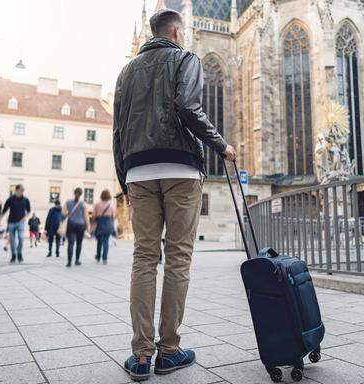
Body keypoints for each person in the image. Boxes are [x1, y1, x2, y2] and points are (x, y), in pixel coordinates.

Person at [112, 8, 236, 381]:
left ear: (151, 34)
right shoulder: (185, 58)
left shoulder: (127, 72)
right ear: (178, 32)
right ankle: (168, 351)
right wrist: (221, 146)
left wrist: (125, 181)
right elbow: (187, 107)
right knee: (178, 257)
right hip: (180, 168)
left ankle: (139, 355)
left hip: (138, 171)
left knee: (144, 258)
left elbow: (118, 131)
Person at [0, 184, 31, 263]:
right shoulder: (10, 199)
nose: (22, 192)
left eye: (23, 191)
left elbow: (29, 211)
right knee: (12, 240)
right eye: (21, 190)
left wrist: (25, 217)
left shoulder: (25, 200)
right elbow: (4, 210)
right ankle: (13, 255)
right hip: (11, 222)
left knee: (21, 238)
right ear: (16, 190)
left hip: (21, 222)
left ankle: (19, 253)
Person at [62, 188, 90, 267]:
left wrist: (68, 214)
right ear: (81, 194)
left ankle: (69, 262)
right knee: (79, 243)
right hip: (81, 225)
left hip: (71, 224)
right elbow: (86, 216)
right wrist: (88, 226)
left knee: (70, 243)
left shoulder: (68, 202)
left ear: (74, 193)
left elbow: (63, 212)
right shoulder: (83, 204)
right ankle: (77, 260)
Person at [93, 189, 116, 264]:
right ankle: (105, 258)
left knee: (99, 242)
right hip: (108, 224)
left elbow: (94, 216)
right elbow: (113, 217)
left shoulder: (97, 204)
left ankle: (98, 257)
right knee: (106, 241)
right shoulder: (111, 205)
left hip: (100, 224)